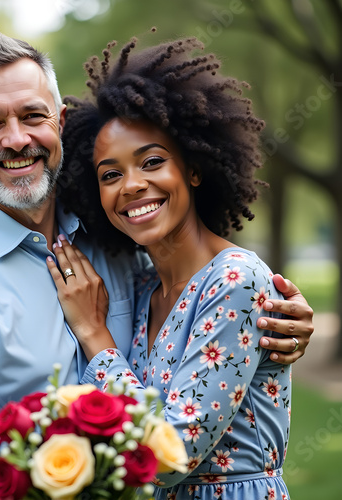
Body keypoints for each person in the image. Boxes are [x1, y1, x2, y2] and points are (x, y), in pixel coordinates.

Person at [0, 32, 312, 500]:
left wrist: (95, 335)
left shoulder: (120, 252)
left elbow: (177, 440)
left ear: (60, 123)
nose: (16, 138)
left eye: (32, 115)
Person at [45, 37, 299, 498]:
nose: (132, 185)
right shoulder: (143, 286)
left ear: (194, 169)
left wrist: (96, 338)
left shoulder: (235, 281)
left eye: (153, 162)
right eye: (110, 174)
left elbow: (171, 454)